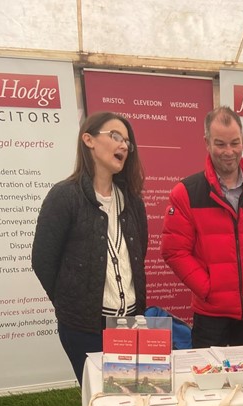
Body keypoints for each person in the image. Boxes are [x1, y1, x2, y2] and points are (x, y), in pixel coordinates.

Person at [32, 112, 148, 386]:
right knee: (98, 400)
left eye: (127, 142)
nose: (123, 146)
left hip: (130, 321)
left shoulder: (132, 202)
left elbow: (137, 254)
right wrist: (70, 302)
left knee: (131, 396)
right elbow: (43, 261)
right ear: (89, 140)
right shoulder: (64, 196)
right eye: (115, 136)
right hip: (84, 327)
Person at [160, 106, 243, 348]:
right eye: (220, 144)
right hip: (210, 316)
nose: (229, 151)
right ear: (206, 142)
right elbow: (174, 251)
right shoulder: (186, 193)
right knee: (208, 384)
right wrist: (208, 288)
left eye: (234, 143)